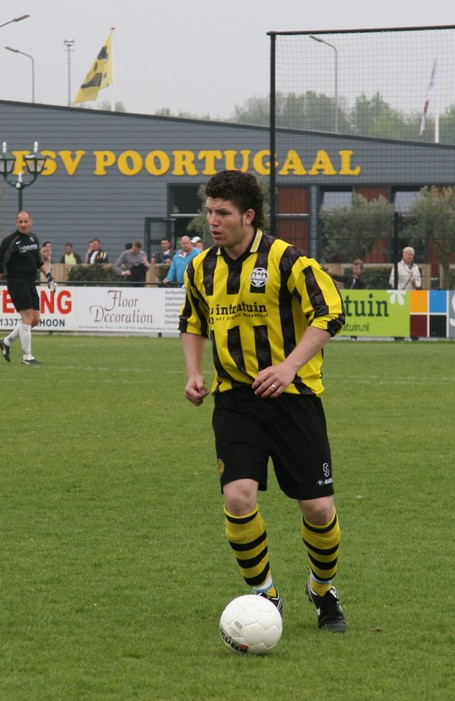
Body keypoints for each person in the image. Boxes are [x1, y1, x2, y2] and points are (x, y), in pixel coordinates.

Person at [179, 170, 347, 633]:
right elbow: (192, 321)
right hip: (235, 400)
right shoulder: (200, 267)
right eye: (210, 211)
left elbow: (331, 312)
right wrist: (194, 373)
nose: (213, 221)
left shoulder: (286, 259)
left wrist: (290, 365)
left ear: (248, 216)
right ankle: (264, 595)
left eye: (223, 213)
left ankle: (322, 589)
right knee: (238, 497)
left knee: (318, 509)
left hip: (294, 399)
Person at [0, 211, 56, 365]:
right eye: (20, 222)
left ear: (31, 222)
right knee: (27, 317)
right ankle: (27, 357)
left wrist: (49, 276)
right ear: (16, 223)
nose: (23, 224)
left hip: (31, 283)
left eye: (26, 221)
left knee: (35, 320)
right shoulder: (9, 241)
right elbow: (0, 266)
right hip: (17, 282)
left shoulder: (34, 239)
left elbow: (38, 262)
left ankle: (6, 342)